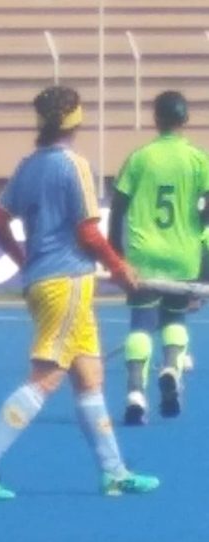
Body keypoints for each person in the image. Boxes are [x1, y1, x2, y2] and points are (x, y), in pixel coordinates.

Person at [0, 86, 159, 500]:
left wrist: (26, 261)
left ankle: (114, 471)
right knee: (46, 378)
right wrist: (119, 266)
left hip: (47, 282)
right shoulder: (75, 166)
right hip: (66, 283)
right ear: (77, 120)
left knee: (89, 377)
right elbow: (87, 230)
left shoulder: (28, 165)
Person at [108, 91, 209, 424]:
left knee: (141, 324)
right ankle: (170, 369)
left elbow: (118, 210)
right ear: (186, 120)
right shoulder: (199, 160)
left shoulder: (139, 158)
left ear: (156, 118)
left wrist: (116, 256)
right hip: (183, 255)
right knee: (175, 320)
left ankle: (136, 392)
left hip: (143, 255)